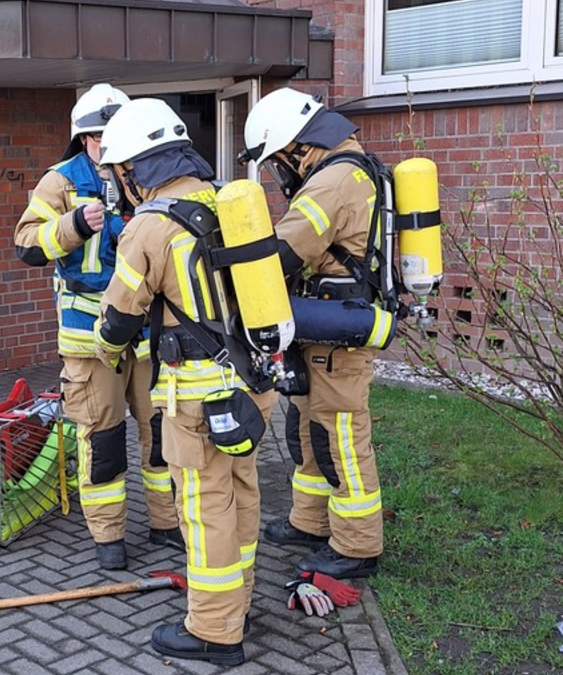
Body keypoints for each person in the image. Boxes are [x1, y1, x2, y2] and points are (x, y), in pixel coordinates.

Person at [95, 98, 279, 667]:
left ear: (133, 169)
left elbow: (120, 319)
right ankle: (239, 601)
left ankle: (214, 630)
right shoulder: (229, 200)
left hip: (197, 400)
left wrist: (105, 350)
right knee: (243, 493)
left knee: (204, 510)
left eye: (118, 173)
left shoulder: (149, 226)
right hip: (253, 385)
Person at [14, 83, 182, 571]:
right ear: (82, 139)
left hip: (148, 333)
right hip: (90, 341)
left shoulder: (145, 175)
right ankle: (108, 536)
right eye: (97, 138)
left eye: (115, 136)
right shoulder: (60, 181)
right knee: (103, 439)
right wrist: (73, 226)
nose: (107, 148)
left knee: (160, 434)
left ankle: (165, 522)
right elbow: (25, 244)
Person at [242, 87, 384, 579]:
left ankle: (357, 545)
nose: (280, 172)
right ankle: (311, 520)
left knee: (340, 436)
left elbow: (284, 252)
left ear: (299, 146)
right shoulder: (341, 170)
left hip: (336, 334)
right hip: (321, 328)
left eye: (277, 161)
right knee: (306, 429)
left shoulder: (334, 182)